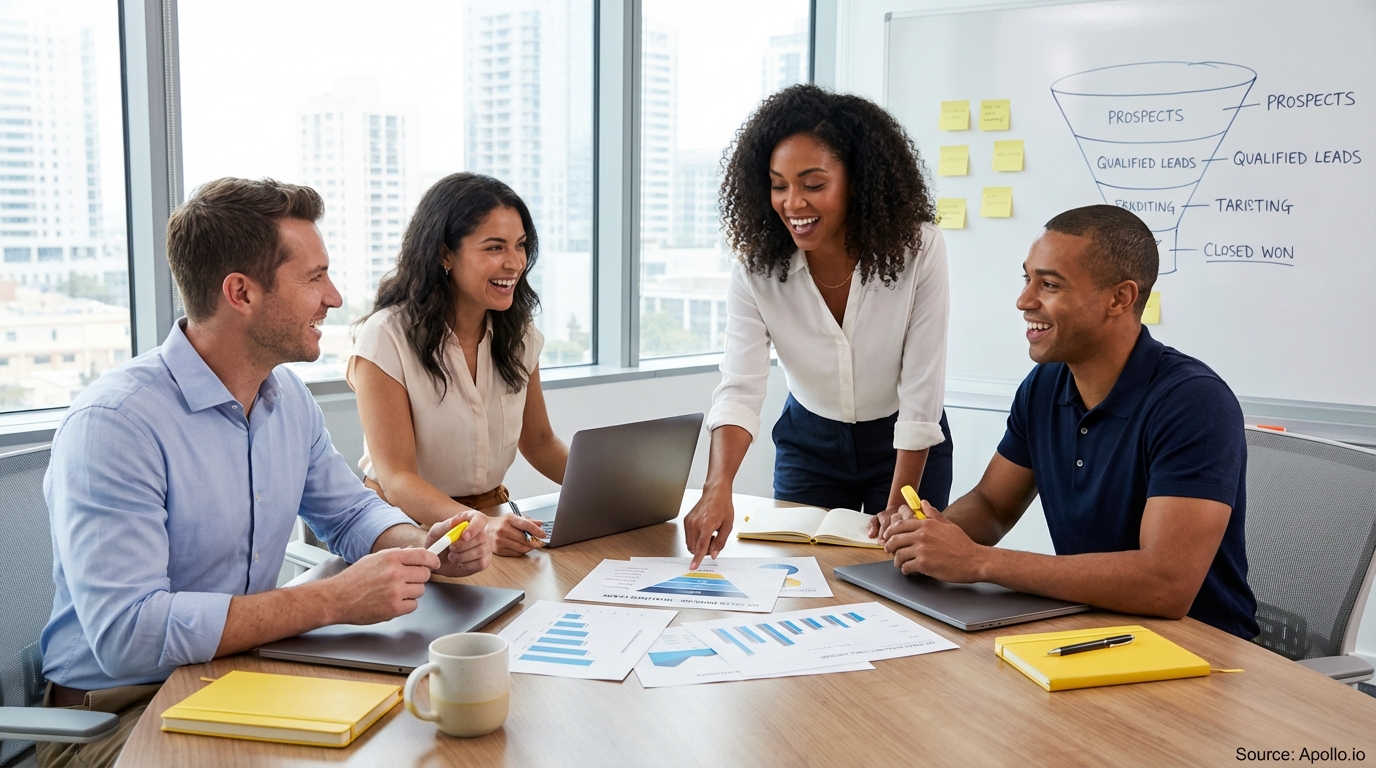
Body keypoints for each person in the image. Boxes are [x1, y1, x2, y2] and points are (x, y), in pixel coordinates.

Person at [37, 178, 492, 768]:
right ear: (241, 293)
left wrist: (422, 547)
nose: (333, 297)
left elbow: (349, 512)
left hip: (240, 677)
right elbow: (129, 634)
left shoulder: (287, 398)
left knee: (424, 734)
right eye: (314, 278)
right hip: (119, 714)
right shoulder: (116, 425)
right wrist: (332, 600)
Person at [880, 204, 1258, 639]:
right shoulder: (1045, 385)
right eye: (1027, 279)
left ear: (1120, 298)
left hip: (1199, 648)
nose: (1024, 301)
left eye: (1049, 284)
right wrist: (928, 537)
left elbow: (1164, 585)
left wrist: (979, 561)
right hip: (1093, 627)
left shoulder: (1195, 403)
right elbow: (992, 504)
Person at [684, 84, 953, 568]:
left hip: (905, 445)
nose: (793, 203)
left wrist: (899, 501)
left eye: (813, 185)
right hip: (809, 443)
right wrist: (716, 486)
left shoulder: (919, 248)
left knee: (905, 573)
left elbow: (922, 388)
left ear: (857, 182)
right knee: (799, 577)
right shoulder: (756, 270)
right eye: (779, 185)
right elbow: (740, 388)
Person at [349, 173, 567, 557]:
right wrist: (482, 525)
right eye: (494, 247)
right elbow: (397, 478)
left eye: (520, 245)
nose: (515, 262)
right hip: (404, 530)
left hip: (490, 521)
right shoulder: (386, 337)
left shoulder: (520, 335)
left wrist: (614, 492)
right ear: (444, 254)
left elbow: (540, 442)